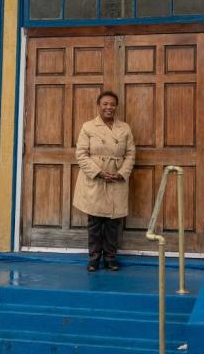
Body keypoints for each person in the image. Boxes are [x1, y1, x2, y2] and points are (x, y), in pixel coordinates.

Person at [72, 90, 136, 272]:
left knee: (113, 222)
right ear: (99, 106)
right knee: (94, 221)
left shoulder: (124, 128)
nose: (109, 107)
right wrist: (98, 172)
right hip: (95, 179)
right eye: (105, 104)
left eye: (112, 104)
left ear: (116, 107)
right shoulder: (88, 127)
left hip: (117, 178)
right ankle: (93, 258)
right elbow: (81, 154)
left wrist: (122, 172)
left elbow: (131, 153)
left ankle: (110, 257)